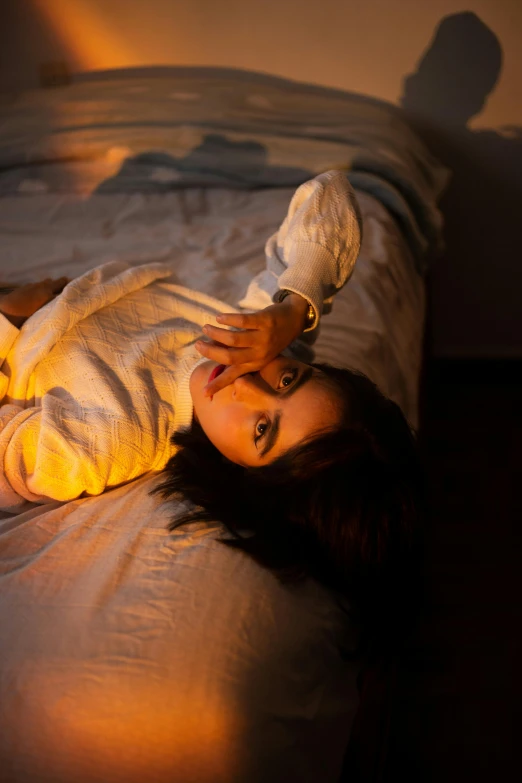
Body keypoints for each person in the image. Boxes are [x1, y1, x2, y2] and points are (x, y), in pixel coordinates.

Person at [0, 169, 424, 652]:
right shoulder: (252, 338)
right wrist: (293, 310)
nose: (249, 386)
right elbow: (332, 194)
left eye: (262, 429)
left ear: (247, 477)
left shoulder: (109, 440)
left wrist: (9, 320)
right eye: (289, 379)